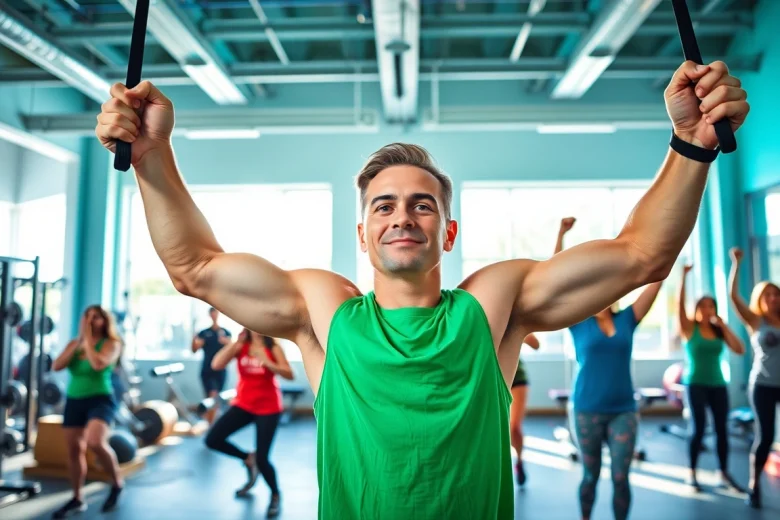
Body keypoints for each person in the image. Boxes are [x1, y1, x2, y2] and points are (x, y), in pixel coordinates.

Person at [94, 59, 749, 518]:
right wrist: (153, 156)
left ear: (449, 231)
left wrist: (690, 146)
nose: (402, 216)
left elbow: (643, 255)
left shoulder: (494, 303)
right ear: (363, 232)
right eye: (383, 206)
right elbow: (195, 269)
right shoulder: (325, 311)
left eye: (421, 205)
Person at [555, 217, 663, 520]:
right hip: (587, 409)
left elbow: (656, 281)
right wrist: (561, 234)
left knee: (620, 477)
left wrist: (665, 241)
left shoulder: (627, 319)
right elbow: (556, 281)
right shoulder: (578, 321)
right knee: (590, 476)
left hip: (623, 409)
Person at [205, 329, 293, 515]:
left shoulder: (273, 346)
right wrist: (236, 344)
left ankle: (275, 495)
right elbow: (216, 364)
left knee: (263, 459)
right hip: (244, 404)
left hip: (268, 407)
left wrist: (267, 361)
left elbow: (289, 374)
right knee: (212, 439)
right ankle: (247, 458)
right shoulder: (241, 346)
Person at [51, 305, 124, 518]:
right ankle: (77, 498)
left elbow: (98, 364)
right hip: (74, 400)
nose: (92, 321)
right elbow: (57, 366)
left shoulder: (112, 343)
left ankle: (117, 483)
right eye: (88, 317)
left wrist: (88, 341)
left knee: (95, 442)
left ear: (105, 321)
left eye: (97, 318)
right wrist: (79, 342)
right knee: (74, 450)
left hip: (100, 399)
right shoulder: (75, 344)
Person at [678, 264, 746, 493]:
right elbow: (679, 308)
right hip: (695, 383)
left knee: (721, 430)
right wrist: (683, 277)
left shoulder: (719, 331)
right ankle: (691, 472)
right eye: (703, 306)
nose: (707, 310)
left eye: (711, 306)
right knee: (697, 428)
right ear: (697, 309)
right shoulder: (689, 329)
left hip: (718, 383)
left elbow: (739, 349)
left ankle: (723, 473)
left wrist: (724, 326)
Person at [728, 247, 780, 508]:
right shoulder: (756, 321)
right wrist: (736, 264)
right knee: (766, 436)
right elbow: (733, 297)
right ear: (761, 299)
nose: (773, 298)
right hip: (763, 385)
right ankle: (754, 484)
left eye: (776, 294)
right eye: (768, 294)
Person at [192, 307, 232, 425]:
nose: (214, 316)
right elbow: (194, 349)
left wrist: (227, 343)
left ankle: (211, 424)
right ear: (210, 315)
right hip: (207, 369)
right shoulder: (204, 333)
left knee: (215, 397)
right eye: (213, 313)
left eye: (216, 313)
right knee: (210, 397)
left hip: (221, 370)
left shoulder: (225, 333)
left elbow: (233, 350)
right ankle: (211, 425)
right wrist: (193, 340)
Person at [510, 332, 539, 487]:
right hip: (488, 376)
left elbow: (536, 344)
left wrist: (520, 331)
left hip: (516, 377)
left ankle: (519, 461)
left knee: (514, 427)